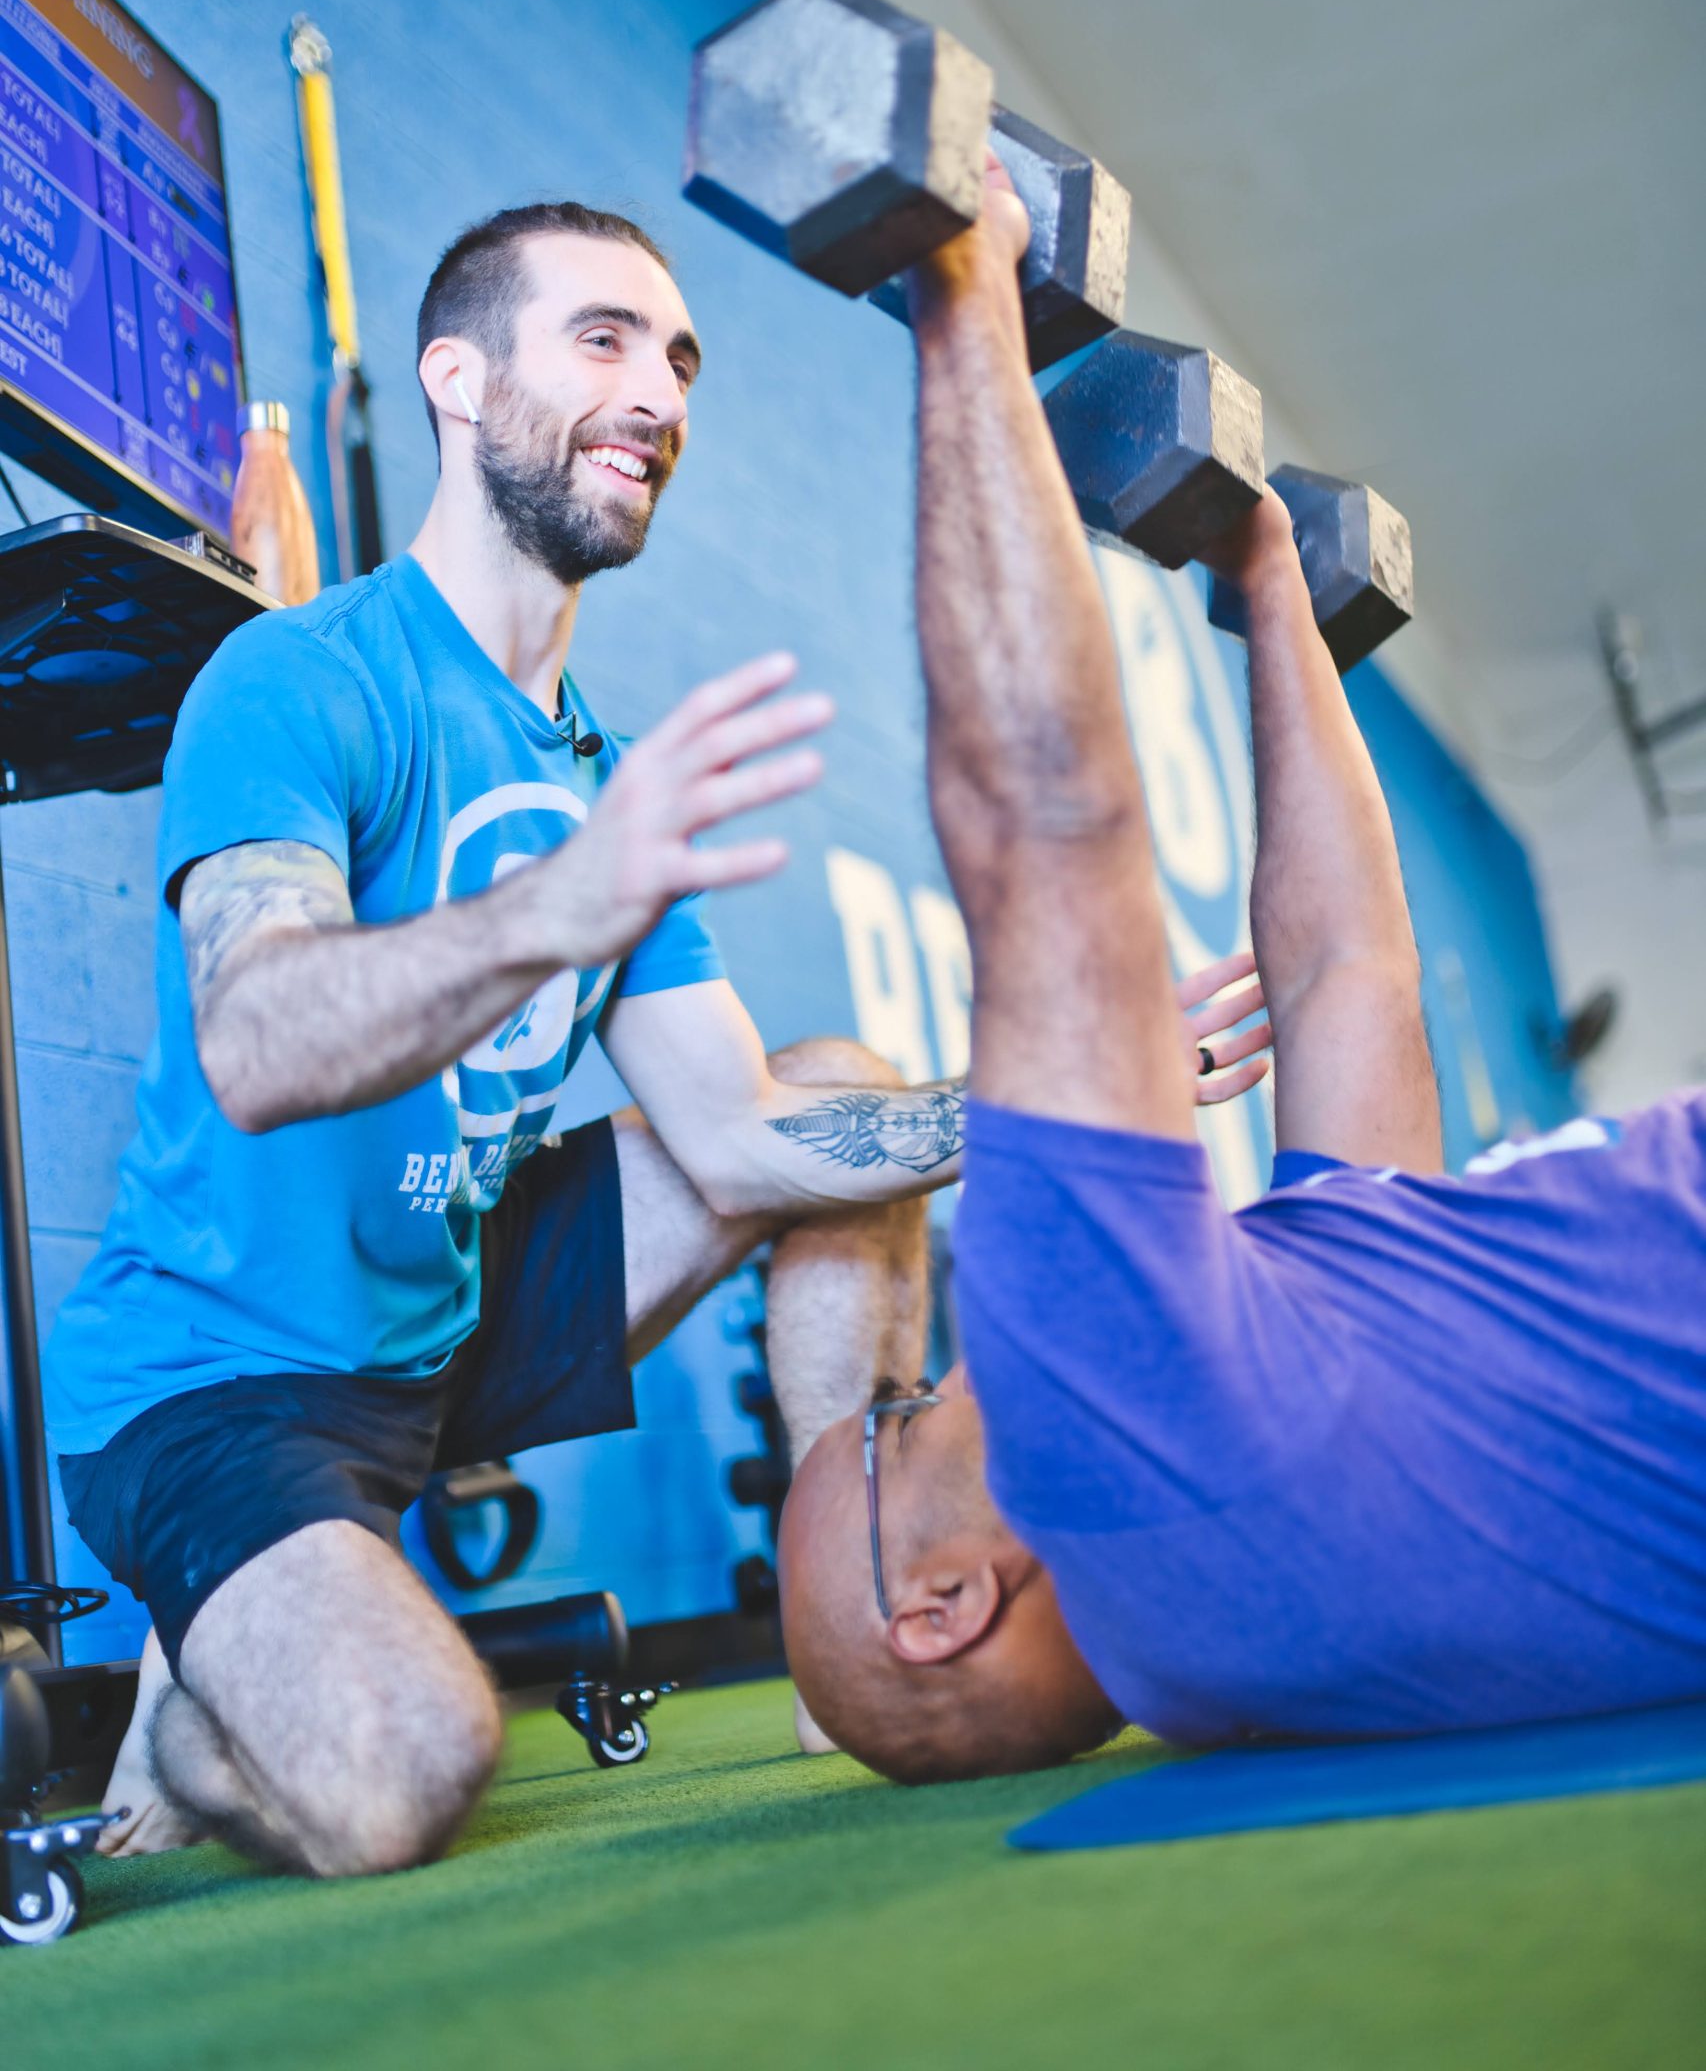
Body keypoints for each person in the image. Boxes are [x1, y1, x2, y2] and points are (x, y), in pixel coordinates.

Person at [44, 197, 1258, 1875]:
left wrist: (1062, 1097)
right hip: (217, 1378)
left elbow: (750, 1140)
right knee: (405, 1772)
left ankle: (852, 1641)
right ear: (456, 381)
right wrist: (568, 897)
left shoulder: (599, 770)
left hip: (439, 1318)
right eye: (602, 340)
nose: (659, 392)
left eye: (679, 358)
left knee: (831, 1099)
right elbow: (256, 1045)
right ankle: (192, 1725)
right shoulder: (295, 676)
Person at [778, 156, 1706, 1784]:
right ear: (940, 1602)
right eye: (891, 1423)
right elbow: (1037, 823)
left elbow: (1348, 981)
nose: (923, 1381)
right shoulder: (1122, 1479)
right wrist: (961, 282)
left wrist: (1268, 575)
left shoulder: (1250, 1564)